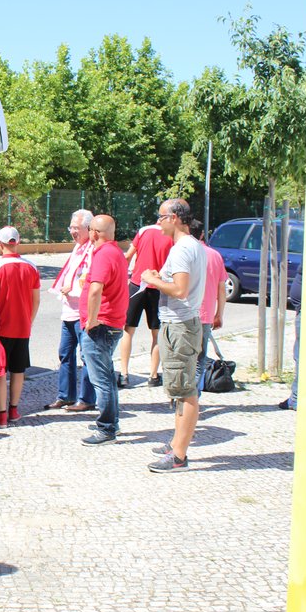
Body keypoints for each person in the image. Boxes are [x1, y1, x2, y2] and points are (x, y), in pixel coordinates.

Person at [141, 199, 206, 473]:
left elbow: (180, 290)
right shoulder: (192, 246)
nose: (158, 222)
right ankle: (176, 444)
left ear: (175, 218)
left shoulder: (182, 248)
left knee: (184, 390)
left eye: (161, 217)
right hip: (182, 324)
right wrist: (161, 278)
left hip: (179, 326)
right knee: (180, 390)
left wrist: (152, 279)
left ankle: (179, 456)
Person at [0, 226, 40, 428]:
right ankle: (14, 410)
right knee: (18, 370)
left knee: (0, 371)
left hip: (0, 328)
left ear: (0, 244)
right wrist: (29, 321)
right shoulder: (31, 267)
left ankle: (2, 415)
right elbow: (36, 300)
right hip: (23, 328)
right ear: (18, 242)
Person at [78, 215, 130, 445]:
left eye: (89, 229)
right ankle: (112, 423)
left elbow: (95, 290)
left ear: (95, 233)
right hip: (111, 323)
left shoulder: (104, 254)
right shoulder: (116, 252)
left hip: (102, 325)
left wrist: (91, 320)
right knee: (107, 376)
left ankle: (106, 428)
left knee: (101, 380)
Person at [45, 209, 98, 412]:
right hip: (68, 311)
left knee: (87, 357)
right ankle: (65, 396)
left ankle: (87, 399)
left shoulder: (93, 249)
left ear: (88, 228)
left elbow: (90, 280)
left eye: (77, 228)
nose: (73, 232)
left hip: (83, 313)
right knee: (65, 354)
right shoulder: (78, 248)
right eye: (71, 227)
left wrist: (73, 288)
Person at [118, 219, 174, 387]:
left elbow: (128, 256)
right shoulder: (171, 236)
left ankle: (124, 374)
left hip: (137, 284)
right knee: (157, 333)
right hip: (158, 287)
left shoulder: (144, 231)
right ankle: (153, 376)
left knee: (128, 330)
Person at [189, 220, 226, 393]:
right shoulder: (215, 255)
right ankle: (193, 397)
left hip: (184, 313)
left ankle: (180, 397)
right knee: (199, 359)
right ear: (202, 234)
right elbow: (221, 288)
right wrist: (219, 314)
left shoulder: (184, 252)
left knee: (182, 359)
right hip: (205, 314)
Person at [279, 261, 302, 410]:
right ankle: (295, 396)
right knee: (299, 357)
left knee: (301, 357)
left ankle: (296, 398)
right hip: (303, 311)